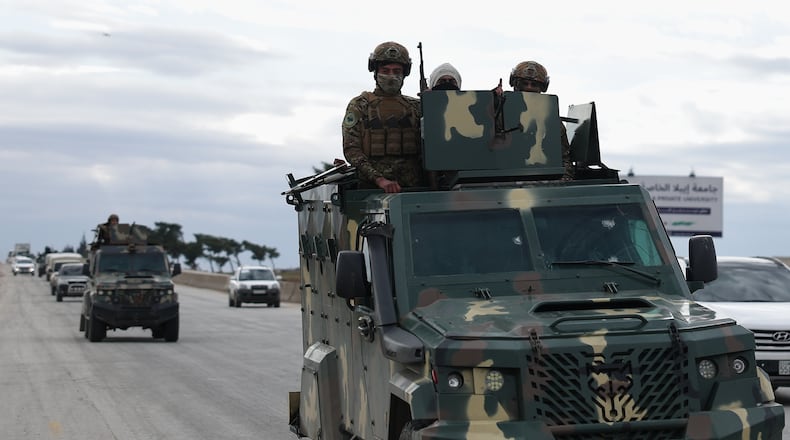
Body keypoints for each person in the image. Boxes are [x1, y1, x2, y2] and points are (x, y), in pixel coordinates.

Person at [342, 41, 424, 193]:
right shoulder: (361, 105)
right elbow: (351, 149)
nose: (391, 76)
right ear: (375, 71)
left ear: (404, 73)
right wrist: (379, 179)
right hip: (372, 192)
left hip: (414, 190)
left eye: (396, 71)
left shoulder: (416, 107)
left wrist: (435, 101)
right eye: (385, 70)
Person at [508, 60, 574, 180]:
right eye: (524, 83)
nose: (528, 88)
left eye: (534, 85)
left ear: (542, 88)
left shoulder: (552, 122)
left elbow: (565, 159)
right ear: (515, 84)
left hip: (541, 182)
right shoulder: (498, 112)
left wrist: (564, 183)